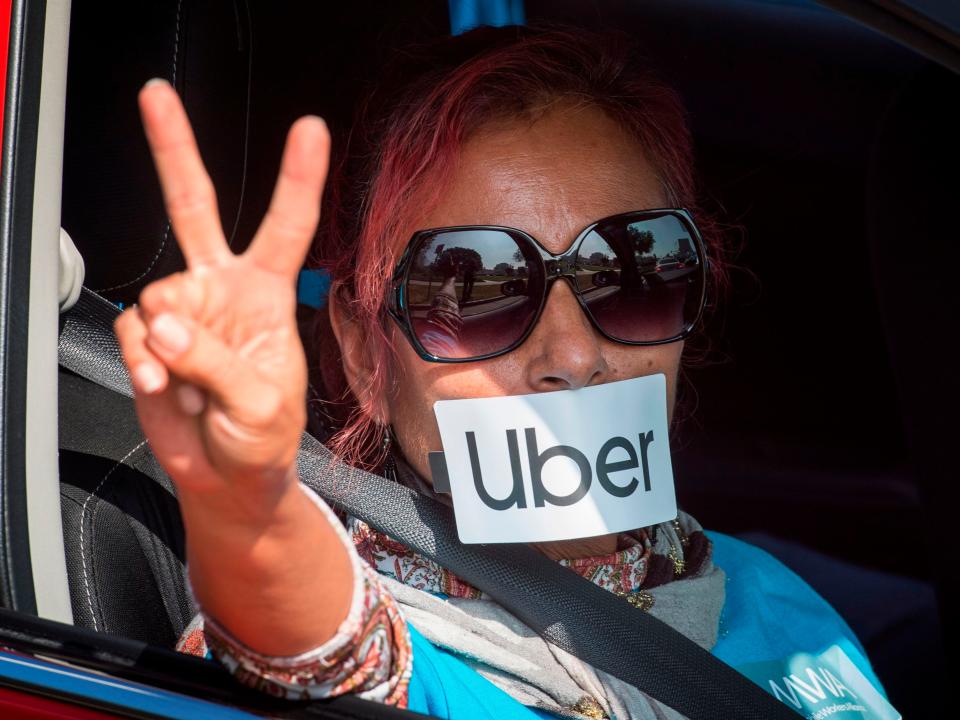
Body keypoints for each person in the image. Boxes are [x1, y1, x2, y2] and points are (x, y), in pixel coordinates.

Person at [115, 26, 887, 720]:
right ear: (364, 355)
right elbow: (321, 652)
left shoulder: (784, 605)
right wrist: (253, 507)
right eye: (472, 290)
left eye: (629, 272)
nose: (572, 357)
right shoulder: (393, 650)